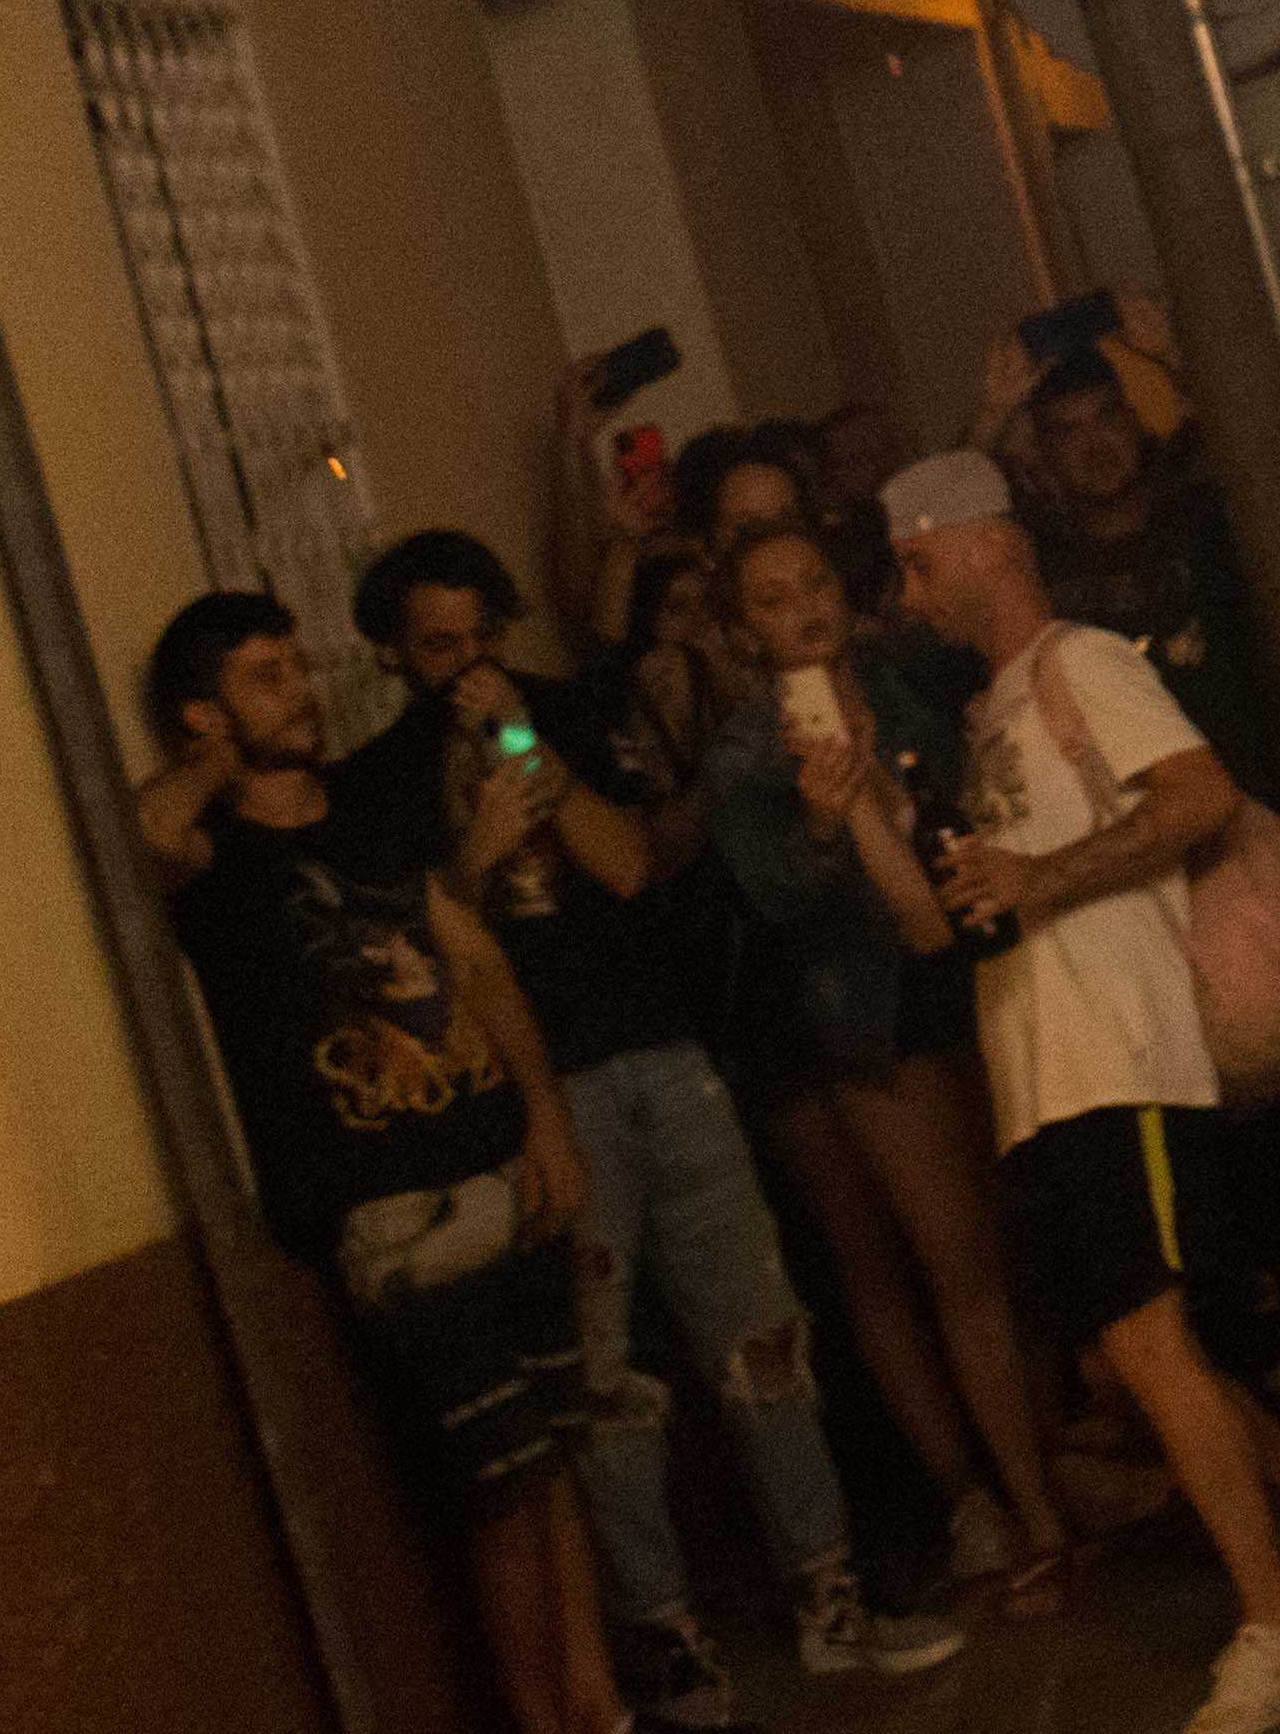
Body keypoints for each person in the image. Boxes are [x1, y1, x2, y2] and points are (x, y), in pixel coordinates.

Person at [341, 534, 965, 1721]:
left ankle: (830, 1595)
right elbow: (424, 963)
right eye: (440, 647)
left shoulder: (568, 710)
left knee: (758, 1333)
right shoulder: (382, 778)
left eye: (484, 636)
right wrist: (468, 859)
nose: (469, 663)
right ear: (390, 654)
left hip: (661, 1053)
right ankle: (671, 1638)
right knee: (606, 1380)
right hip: (550, 1089)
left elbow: (626, 862)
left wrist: (521, 741)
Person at [876, 453, 1280, 1734]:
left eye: (919, 559)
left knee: (1146, 1342)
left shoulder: (1084, 664)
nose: (908, 590)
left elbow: (1197, 795)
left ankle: (1278, 1620)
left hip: (1122, 1054)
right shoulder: (985, 716)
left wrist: (1047, 880)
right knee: (1130, 1350)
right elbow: (957, 920)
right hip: (1043, 1072)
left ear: (988, 542)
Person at [136, 590, 616, 1734]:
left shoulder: (370, 807)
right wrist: (213, 759)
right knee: (496, 1480)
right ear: (203, 713)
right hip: (388, 1201)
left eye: (296, 665)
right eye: (265, 676)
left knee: (552, 1456)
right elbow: (143, 836)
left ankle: (603, 1714)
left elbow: (471, 953)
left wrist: (543, 1113)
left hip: (494, 1147)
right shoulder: (224, 862)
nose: (299, 690)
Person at [698, 516, 1081, 1626]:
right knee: (947, 1257)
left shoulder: (904, 682)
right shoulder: (745, 754)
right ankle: (1017, 1509)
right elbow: (778, 902)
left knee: (1020, 1226)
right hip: (866, 1013)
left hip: (977, 968)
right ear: (740, 627)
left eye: (814, 582)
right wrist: (824, 829)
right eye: (771, 598)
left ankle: (1050, 1465)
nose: (803, 608)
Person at [1011, 341, 1280, 1400]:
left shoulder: (1208, 527)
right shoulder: (1047, 573)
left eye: (1107, 420)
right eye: (1067, 431)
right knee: (1198, 1092)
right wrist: (992, 409)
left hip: (1243, 820)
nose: (1094, 447)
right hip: (1135, 855)